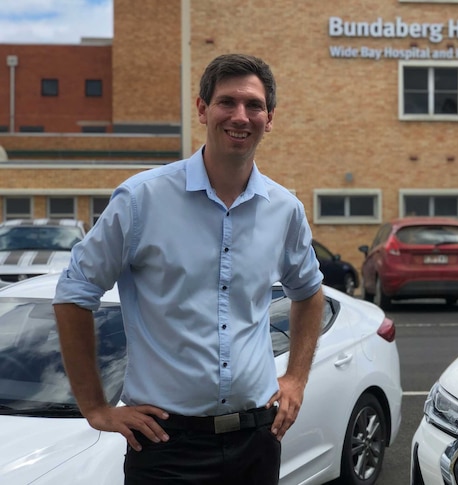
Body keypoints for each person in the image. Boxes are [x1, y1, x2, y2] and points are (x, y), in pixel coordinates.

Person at [53, 53, 325, 484]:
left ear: (269, 118)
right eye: (226, 102)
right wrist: (95, 408)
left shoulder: (285, 210)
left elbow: (309, 293)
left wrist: (295, 378)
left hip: (256, 439)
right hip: (165, 447)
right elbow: (74, 293)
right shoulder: (142, 200)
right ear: (202, 109)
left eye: (253, 105)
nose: (240, 116)